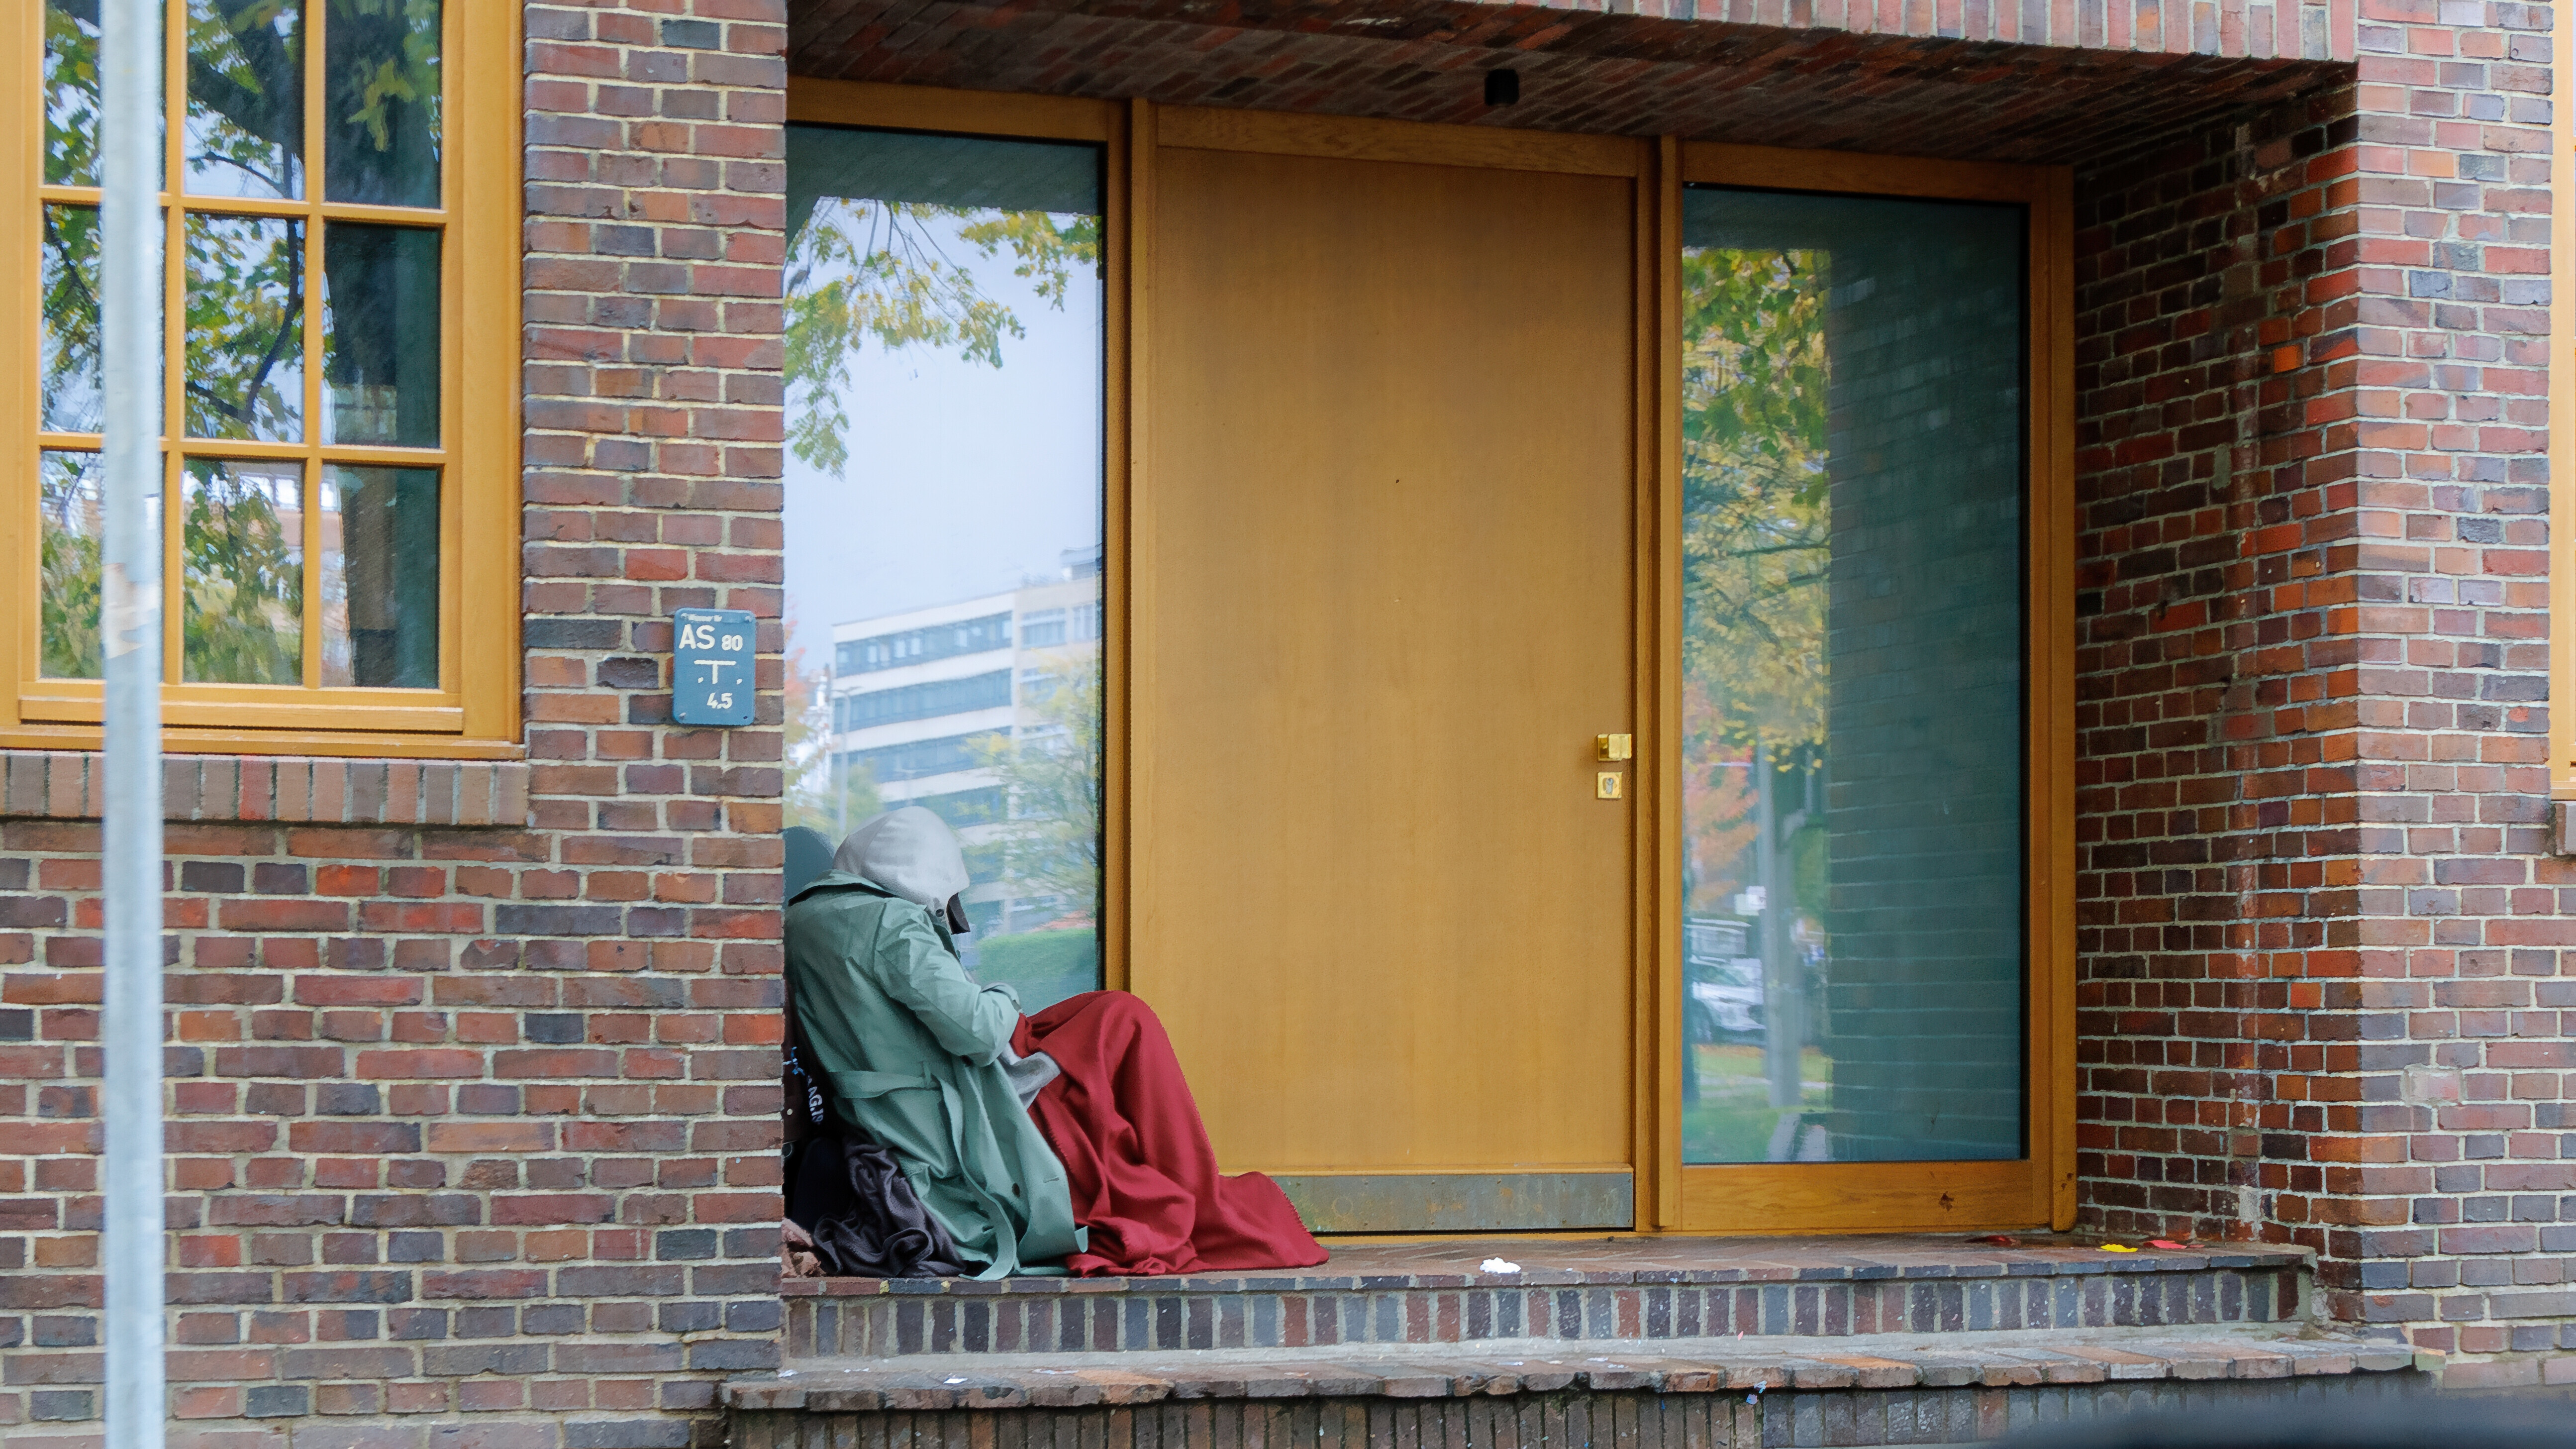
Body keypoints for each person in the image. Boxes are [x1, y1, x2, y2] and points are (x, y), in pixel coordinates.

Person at [785, 807, 1326, 1277]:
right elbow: (978, 1028)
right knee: (1124, 1019)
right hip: (950, 1113)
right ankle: (1193, 1186)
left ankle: (1186, 1180)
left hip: (894, 1106)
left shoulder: (806, 919)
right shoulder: (892, 922)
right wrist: (1002, 991)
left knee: (1112, 1018)